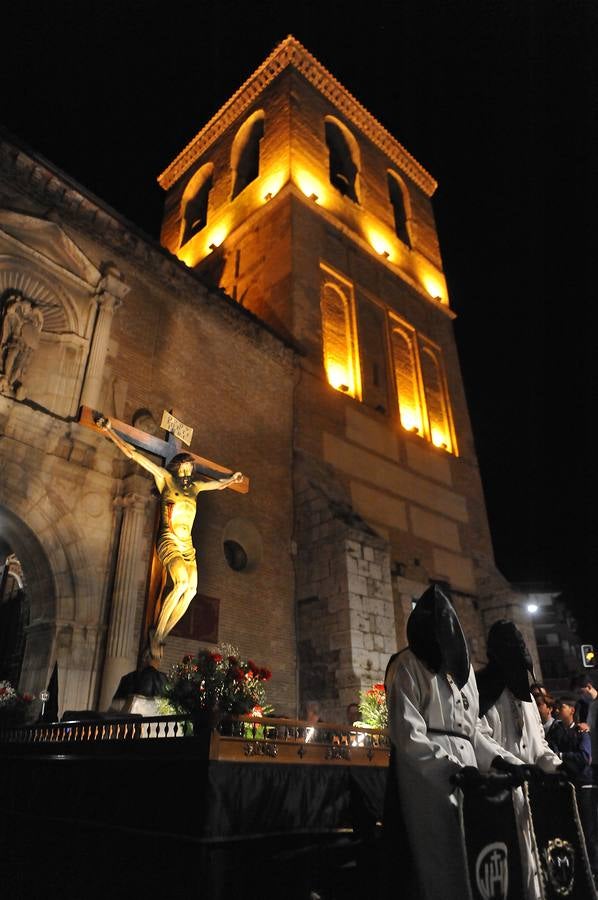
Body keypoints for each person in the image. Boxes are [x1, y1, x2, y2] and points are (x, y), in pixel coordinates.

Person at [385, 585, 523, 900]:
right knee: (442, 854)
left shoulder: (463, 672)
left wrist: (498, 760)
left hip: (471, 775)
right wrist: (451, 769)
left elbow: (472, 730)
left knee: (474, 850)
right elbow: (408, 735)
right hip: (428, 779)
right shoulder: (407, 665)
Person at [97, 414, 243, 660]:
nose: (187, 471)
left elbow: (218, 485)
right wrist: (111, 431)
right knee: (181, 583)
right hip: (169, 539)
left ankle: (162, 633)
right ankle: (156, 635)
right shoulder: (165, 479)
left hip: (188, 546)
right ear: (177, 467)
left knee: (192, 590)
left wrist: (232, 479)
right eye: (183, 467)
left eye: (190, 468)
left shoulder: (195, 488)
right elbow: (135, 454)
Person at [477, 620, 562, 900]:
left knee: (534, 863)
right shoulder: (482, 692)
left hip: (529, 797)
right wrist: (510, 764)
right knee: (510, 868)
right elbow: (478, 737)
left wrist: (558, 766)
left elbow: (539, 745)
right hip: (499, 795)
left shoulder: (527, 700)